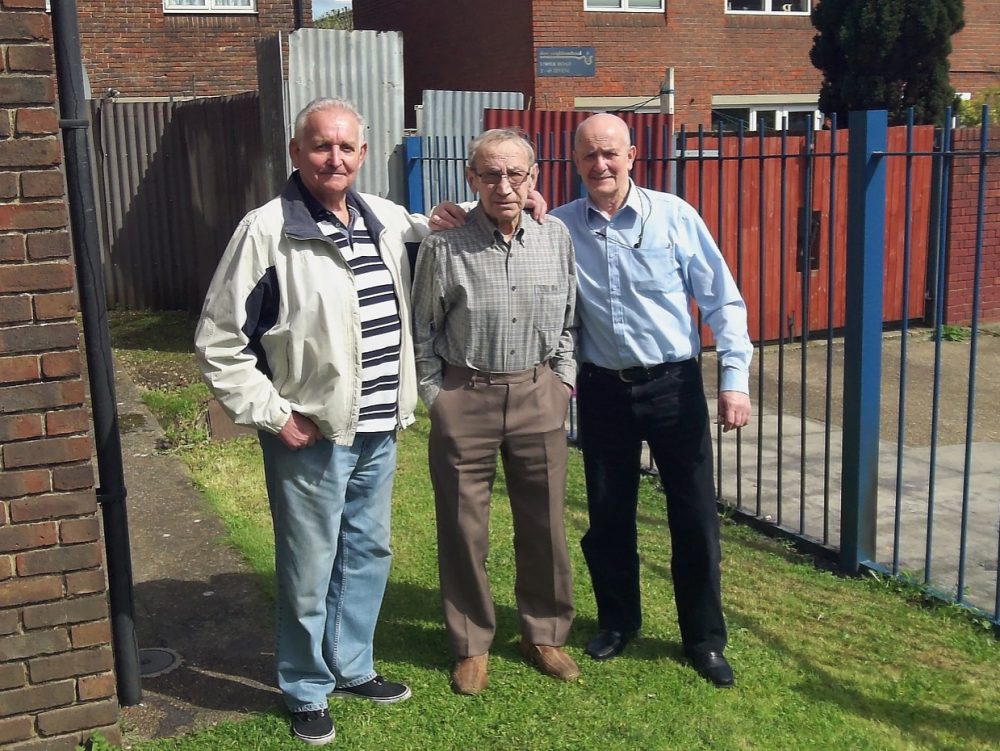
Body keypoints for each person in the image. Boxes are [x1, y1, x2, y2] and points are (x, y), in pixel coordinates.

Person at [195, 97, 462, 746]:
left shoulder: (386, 219)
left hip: (377, 427)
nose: (334, 157)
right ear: (296, 153)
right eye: (321, 146)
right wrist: (273, 414)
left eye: (347, 147)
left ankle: (352, 665)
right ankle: (306, 687)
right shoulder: (266, 230)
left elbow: (449, 228)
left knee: (368, 552)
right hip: (310, 434)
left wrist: (515, 206)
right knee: (309, 566)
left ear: (364, 156)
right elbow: (218, 341)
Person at [549, 113, 753, 688]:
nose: (601, 164)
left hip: (673, 387)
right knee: (609, 516)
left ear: (633, 156)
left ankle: (704, 640)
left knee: (693, 518)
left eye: (610, 153)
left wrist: (734, 379)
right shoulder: (561, 226)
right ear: (576, 162)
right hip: (603, 390)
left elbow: (723, 302)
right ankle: (618, 621)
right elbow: (499, 214)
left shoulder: (674, 217)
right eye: (589, 155)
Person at [411, 128, 579, 696]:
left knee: (546, 523)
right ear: (471, 179)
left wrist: (563, 384)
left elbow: (568, 323)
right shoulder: (443, 245)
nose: (503, 186)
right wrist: (440, 400)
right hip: (467, 396)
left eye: (515, 174)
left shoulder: (555, 238)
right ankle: (471, 643)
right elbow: (423, 330)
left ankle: (545, 633)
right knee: (464, 528)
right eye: (490, 174)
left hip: (538, 394)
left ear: (533, 177)